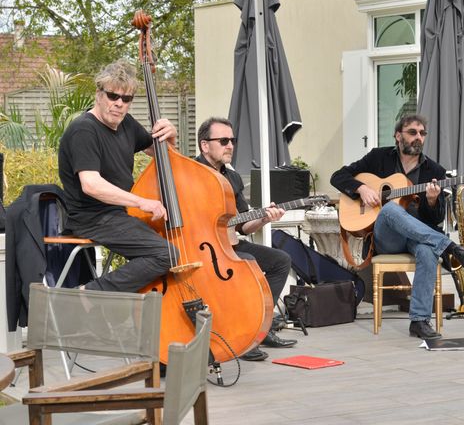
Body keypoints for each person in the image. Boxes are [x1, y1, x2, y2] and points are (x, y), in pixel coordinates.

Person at [330, 114, 464, 340]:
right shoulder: (378, 158)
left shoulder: (434, 171)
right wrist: (361, 189)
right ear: (398, 135)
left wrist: (433, 200)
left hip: (418, 237)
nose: (419, 137)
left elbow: (434, 218)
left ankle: (418, 321)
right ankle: (449, 247)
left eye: (422, 133)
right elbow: (338, 176)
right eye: (413, 132)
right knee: (389, 210)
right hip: (387, 238)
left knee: (427, 252)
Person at [58, 59, 178, 292]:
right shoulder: (84, 129)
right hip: (92, 218)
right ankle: (90, 294)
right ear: (99, 94)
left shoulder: (126, 124)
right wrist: (142, 202)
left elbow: (161, 154)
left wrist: (170, 138)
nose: (119, 104)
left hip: (119, 216)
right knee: (166, 254)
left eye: (126, 99)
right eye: (113, 96)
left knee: (177, 244)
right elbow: (91, 185)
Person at [196, 117, 297, 361]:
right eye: (223, 141)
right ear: (204, 145)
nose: (230, 145)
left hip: (228, 244)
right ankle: (240, 335)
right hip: (199, 247)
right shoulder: (192, 174)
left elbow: (242, 224)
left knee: (280, 260)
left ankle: (260, 329)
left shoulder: (233, 178)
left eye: (232, 140)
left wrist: (264, 217)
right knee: (247, 261)